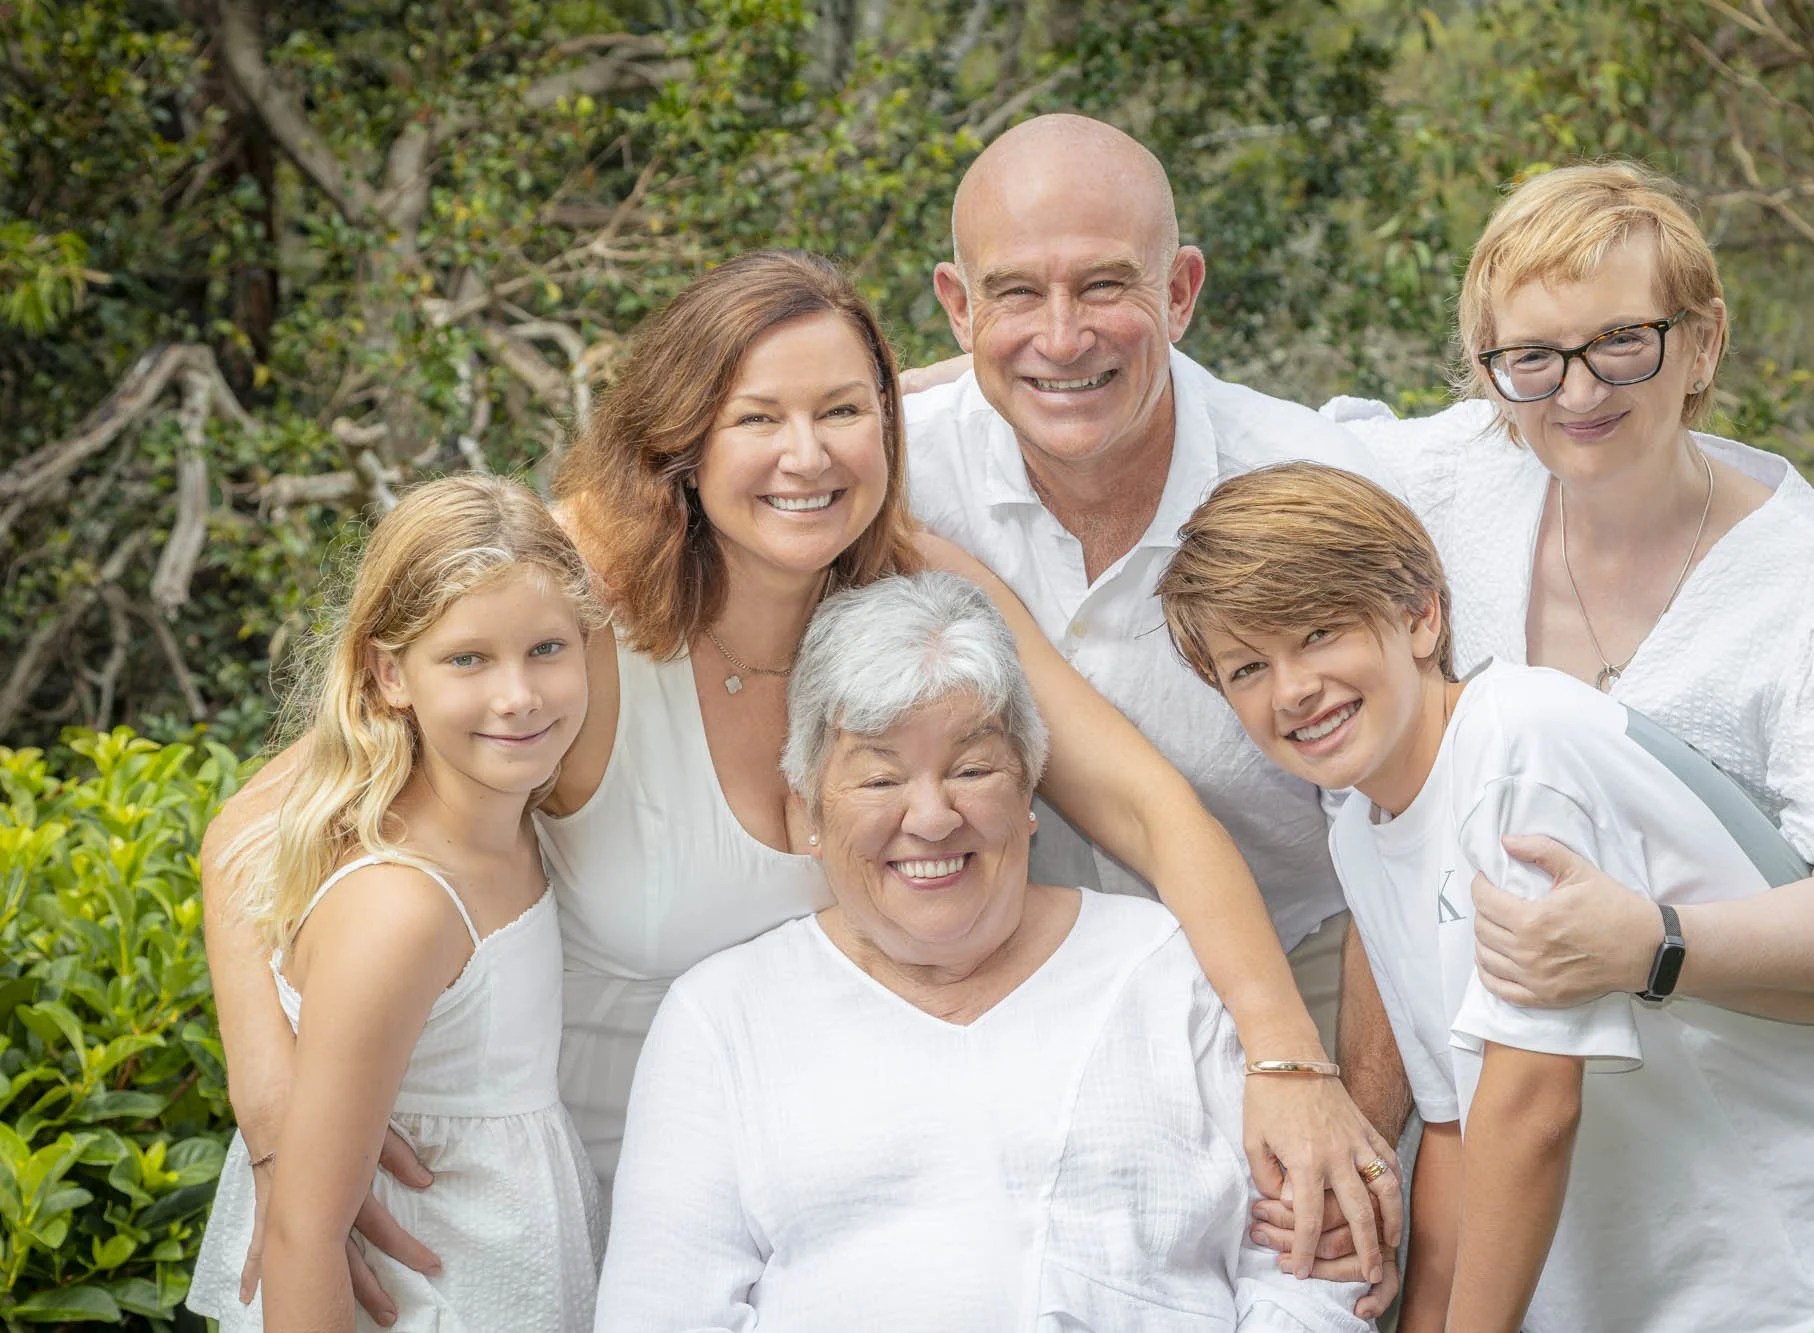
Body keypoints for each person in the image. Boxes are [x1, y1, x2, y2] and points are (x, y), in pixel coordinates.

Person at [198, 250, 1397, 1319]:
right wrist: (280, 1132)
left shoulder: (917, 592)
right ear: (683, 442)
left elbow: (1149, 808)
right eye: (756, 418)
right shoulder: (572, 599)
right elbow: (255, 831)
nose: (805, 456)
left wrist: (1286, 1065)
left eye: (843, 412)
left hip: (757, 1217)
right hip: (487, 1208)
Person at [1302, 161, 1814, 1319]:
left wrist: (1653, 943)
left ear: (1700, 341)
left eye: (1620, 340)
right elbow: (1232, 431)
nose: (1573, 391)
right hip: (1596, 1186)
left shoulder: (1812, 597)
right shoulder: (1467, 473)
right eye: (1529, 356)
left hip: (1807, 1189)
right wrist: (930, 391)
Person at [1157, 461, 1814, 1332]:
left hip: (1810, 1261)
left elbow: (1532, 1104)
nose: (1292, 688)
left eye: (1319, 632)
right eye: (1247, 668)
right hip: (1667, 1270)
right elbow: (1455, 1128)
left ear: (1420, 615)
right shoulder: (1362, 829)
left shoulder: (1515, 750)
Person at [596, 571, 1375, 1332]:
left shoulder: (1164, 963)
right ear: (805, 808)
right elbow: (661, 1308)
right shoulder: (722, 1016)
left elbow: (1310, 1269)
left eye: (972, 769)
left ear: (1029, 788)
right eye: (879, 779)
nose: (933, 817)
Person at [904, 117, 1407, 1258]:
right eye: (1015, 293)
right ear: (954, 306)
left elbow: (1396, 826)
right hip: (1007, 977)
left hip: (1304, 966)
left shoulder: (1303, 487)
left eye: (1104, 286)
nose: (1062, 336)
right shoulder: (892, 464)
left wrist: (1358, 1130)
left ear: (1180, 292)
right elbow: (682, 469)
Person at [187, 475, 607, 1331]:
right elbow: (305, 1234)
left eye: (547, 650)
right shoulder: (402, 909)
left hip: (494, 1261)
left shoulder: (508, 823)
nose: (518, 694)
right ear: (390, 673)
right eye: (467, 658)